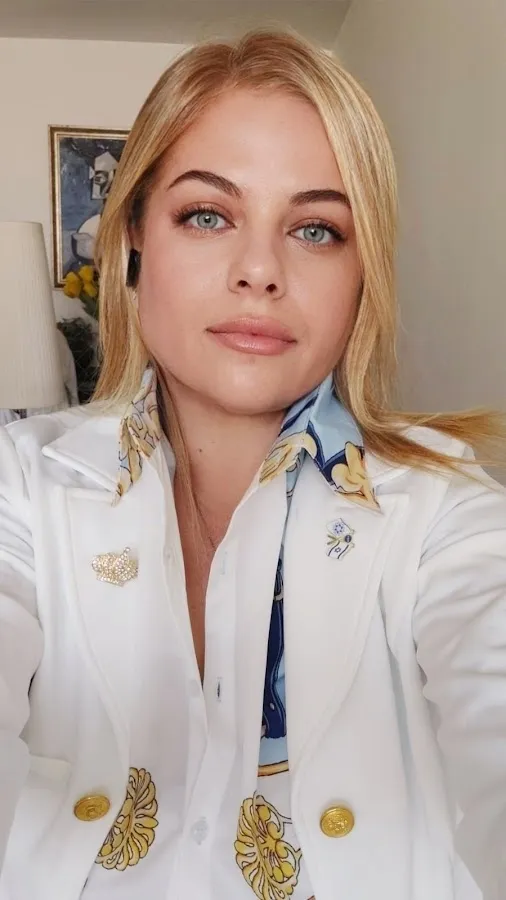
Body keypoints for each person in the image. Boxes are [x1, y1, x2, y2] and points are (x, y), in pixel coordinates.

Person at [0, 29, 505, 900]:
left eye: (316, 229)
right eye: (208, 215)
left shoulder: (447, 513)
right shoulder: (23, 484)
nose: (261, 270)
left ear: (362, 273)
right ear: (133, 237)